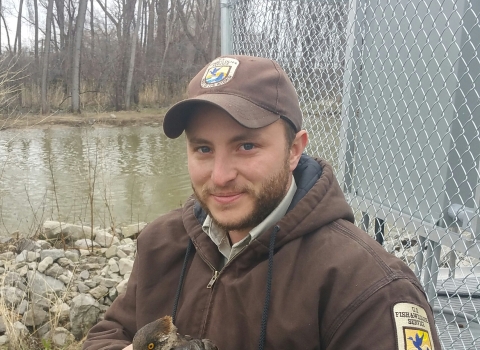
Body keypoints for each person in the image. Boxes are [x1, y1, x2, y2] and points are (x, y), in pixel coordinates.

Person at [83, 55, 441, 350]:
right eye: (203, 149)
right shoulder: (162, 242)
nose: (220, 175)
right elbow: (108, 334)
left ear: (294, 151)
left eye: (247, 146)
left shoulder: (370, 288)